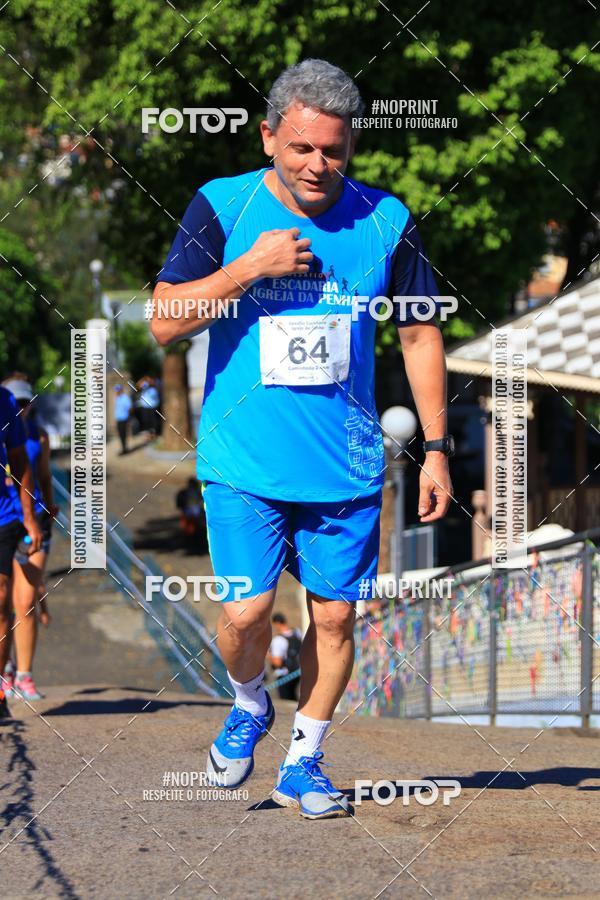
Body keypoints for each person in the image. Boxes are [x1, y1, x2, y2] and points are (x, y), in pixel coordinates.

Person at [151, 58, 452, 819]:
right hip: (243, 459)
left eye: (334, 151)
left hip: (346, 466)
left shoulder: (386, 218)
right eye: (301, 149)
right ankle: (250, 702)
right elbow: (162, 320)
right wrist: (249, 268)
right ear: (268, 138)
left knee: (336, 618)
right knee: (247, 617)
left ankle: (305, 761)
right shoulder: (221, 206)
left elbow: (419, 335)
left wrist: (437, 449)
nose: (318, 165)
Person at [2, 375, 55, 702]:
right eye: (17, 403)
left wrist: (48, 504)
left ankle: (24, 674)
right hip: (6, 518)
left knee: (24, 601)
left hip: (32, 521)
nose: (22, 408)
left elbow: (43, 474)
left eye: (25, 402)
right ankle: (5, 669)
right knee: (3, 600)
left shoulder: (40, 436)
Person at [0, 384, 42, 716]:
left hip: (11, 519)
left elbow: (24, 463)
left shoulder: (5, 404)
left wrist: (31, 517)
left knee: (11, 600)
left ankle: (11, 679)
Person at [268, 613, 302, 701]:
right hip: (297, 673)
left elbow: (277, 662)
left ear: (277, 623)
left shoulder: (278, 640)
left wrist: (267, 656)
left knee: (286, 701)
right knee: (294, 698)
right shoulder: (297, 633)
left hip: (284, 675)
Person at [114, 384, 133, 455]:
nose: (116, 392)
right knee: (121, 434)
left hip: (124, 418)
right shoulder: (117, 398)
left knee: (123, 434)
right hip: (119, 419)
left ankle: (125, 449)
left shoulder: (125, 398)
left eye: (117, 390)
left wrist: (128, 417)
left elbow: (130, 408)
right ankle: (124, 448)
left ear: (120, 390)